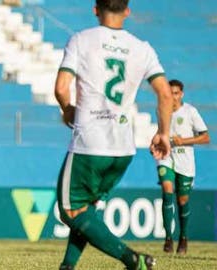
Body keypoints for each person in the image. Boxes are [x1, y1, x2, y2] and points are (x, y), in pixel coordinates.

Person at [53, 0, 173, 269]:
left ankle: (132, 259)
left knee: (70, 209)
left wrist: (68, 110)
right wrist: (163, 133)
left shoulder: (81, 40)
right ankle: (67, 266)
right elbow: (165, 94)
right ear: (127, 11)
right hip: (122, 147)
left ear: (95, 9)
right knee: (86, 209)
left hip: (90, 143)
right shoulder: (143, 48)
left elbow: (61, 88)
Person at [157, 79, 210, 254]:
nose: (172, 97)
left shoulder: (190, 112)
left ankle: (184, 237)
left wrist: (184, 141)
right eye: (170, 92)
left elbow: (205, 137)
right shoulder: (161, 110)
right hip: (166, 157)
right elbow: (160, 133)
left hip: (185, 163)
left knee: (182, 200)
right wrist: (154, 142)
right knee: (167, 189)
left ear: (181, 94)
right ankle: (168, 238)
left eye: (176, 93)